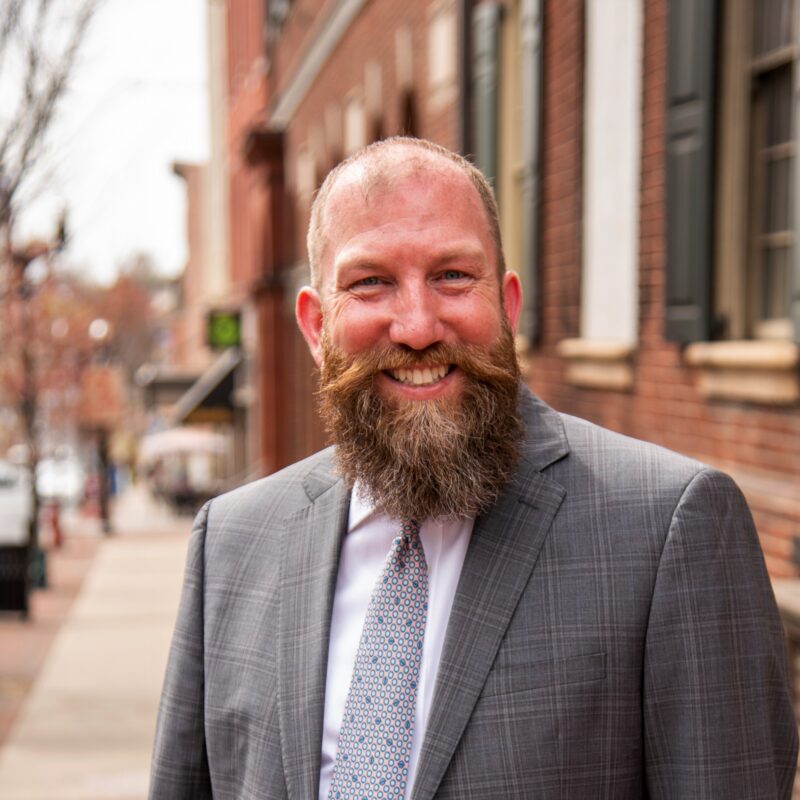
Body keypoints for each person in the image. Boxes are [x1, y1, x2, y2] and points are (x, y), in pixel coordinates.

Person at [149, 137, 798, 799]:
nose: (419, 326)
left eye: (452, 276)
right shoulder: (230, 543)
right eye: (370, 282)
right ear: (316, 326)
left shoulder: (670, 530)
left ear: (508, 306)